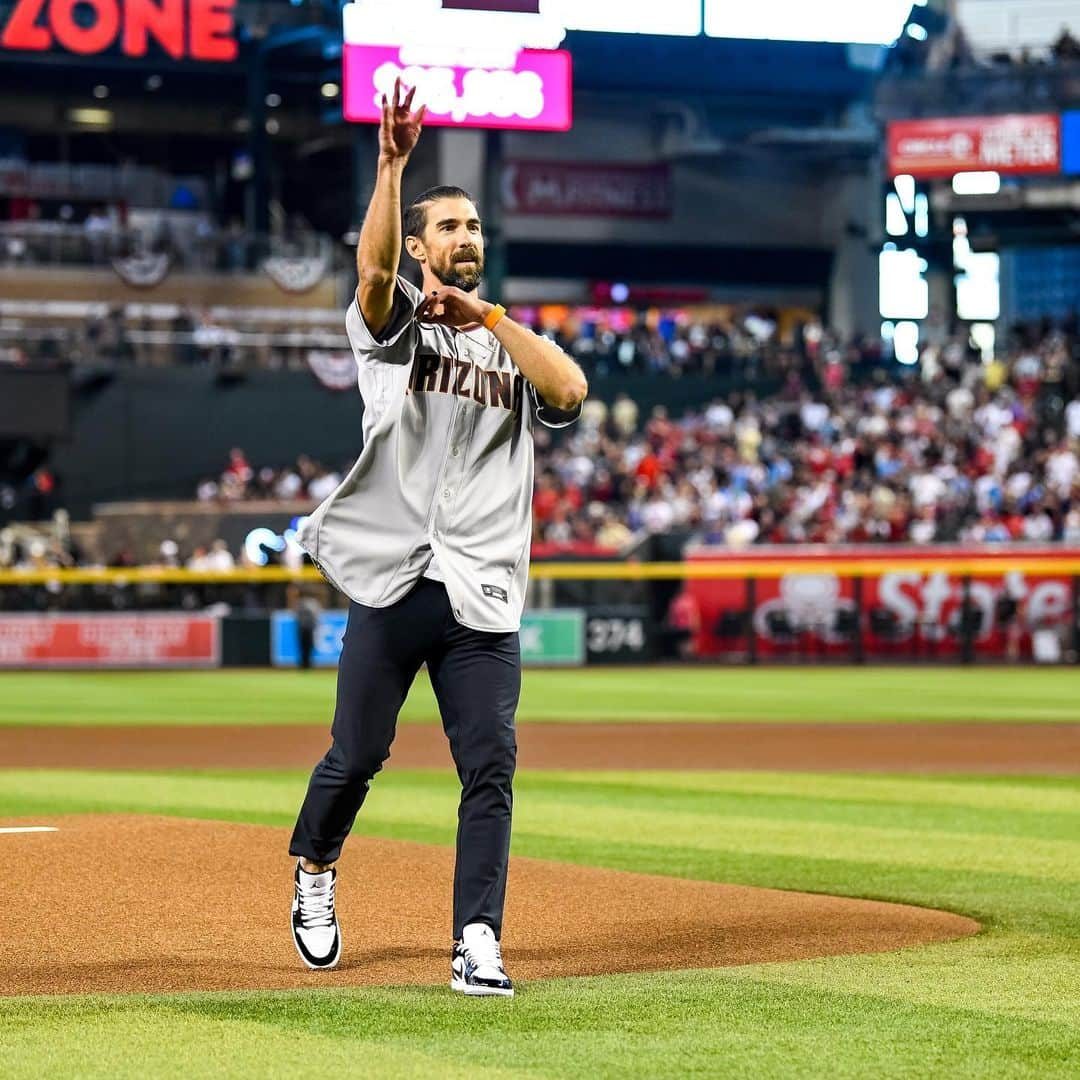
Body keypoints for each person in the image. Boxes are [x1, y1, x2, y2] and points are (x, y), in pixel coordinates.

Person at [287, 79, 588, 997]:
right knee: (358, 754)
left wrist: (493, 318)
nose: (466, 238)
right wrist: (390, 163)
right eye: (448, 228)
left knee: (489, 764)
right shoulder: (391, 330)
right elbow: (373, 280)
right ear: (423, 246)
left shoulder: (509, 342)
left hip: (483, 588)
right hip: (393, 581)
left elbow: (570, 393)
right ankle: (315, 870)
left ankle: (478, 938)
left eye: (474, 228)